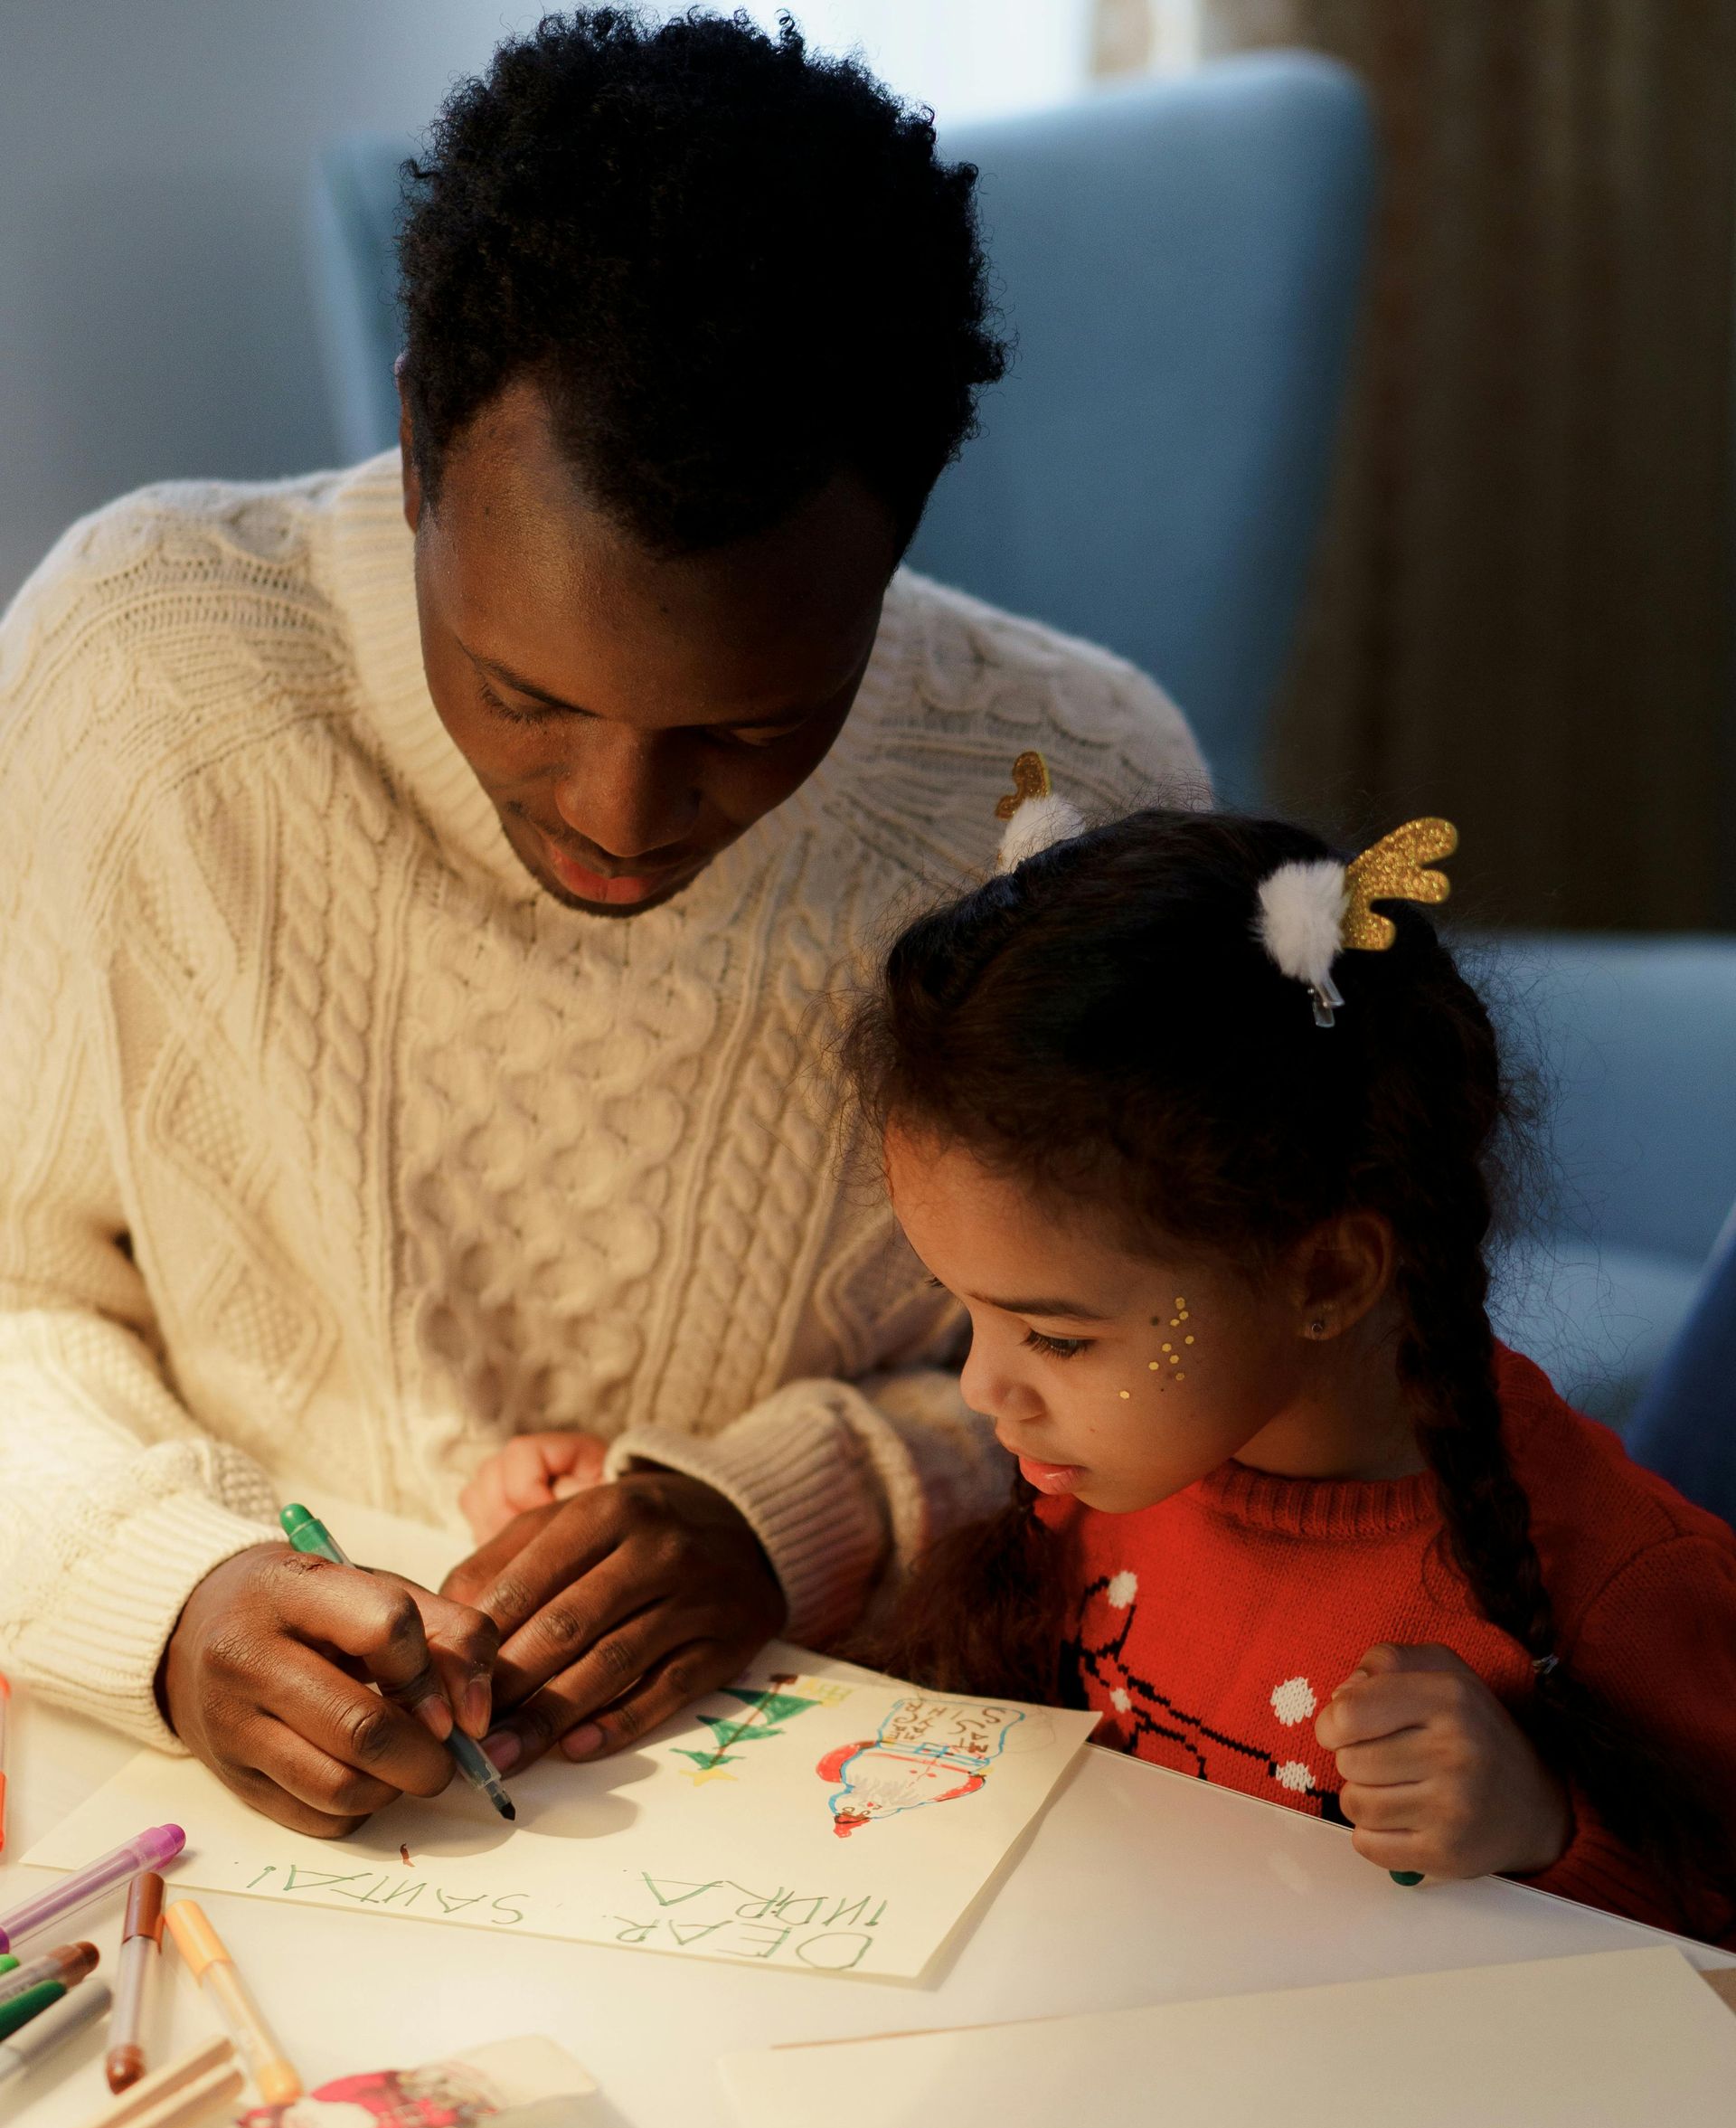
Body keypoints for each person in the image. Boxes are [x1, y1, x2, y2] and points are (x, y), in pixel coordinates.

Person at [0, 13, 1206, 1838]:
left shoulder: (1073, 784)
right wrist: (170, 1593)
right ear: (417, 447)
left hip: (829, 1820)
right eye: (523, 690)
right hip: (214, 1818)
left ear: (898, 540)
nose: (617, 821)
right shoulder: (144, 675)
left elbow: (1187, 1356)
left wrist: (808, 1503)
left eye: (745, 728)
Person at [837, 783, 1736, 1942]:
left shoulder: (1622, 1591)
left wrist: (1553, 1832)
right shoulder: (1118, 1483)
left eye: (1056, 1336)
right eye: (966, 1313)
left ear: (1325, 1280)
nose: (983, 1389)